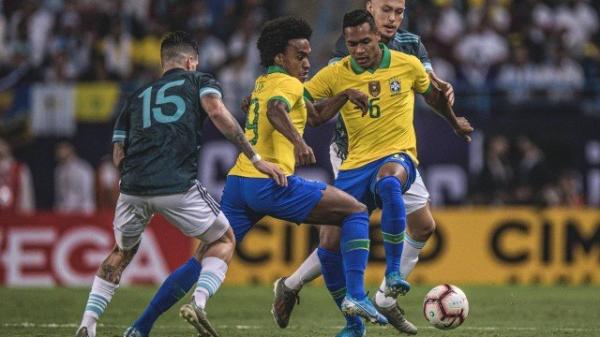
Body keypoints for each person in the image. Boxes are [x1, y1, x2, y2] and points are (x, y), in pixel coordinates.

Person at [123, 17, 388, 337]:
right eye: (299, 56)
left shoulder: (265, 81)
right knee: (355, 212)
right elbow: (277, 110)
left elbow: (316, 115)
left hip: (239, 184)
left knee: (203, 258)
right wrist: (299, 141)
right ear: (280, 57)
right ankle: (357, 298)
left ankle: (140, 326)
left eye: (308, 55)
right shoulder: (286, 85)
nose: (307, 63)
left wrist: (344, 93)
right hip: (271, 182)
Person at [275, 10, 473, 337]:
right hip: (350, 155)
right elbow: (305, 102)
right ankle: (312, 296)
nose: (359, 49)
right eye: (386, 10)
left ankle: (389, 285)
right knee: (330, 242)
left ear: (380, 36)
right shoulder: (339, 63)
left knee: (405, 201)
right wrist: (272, 102)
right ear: (371, 9)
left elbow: (431, 89)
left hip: (396, 153)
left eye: (399, 10)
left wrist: (454, 121)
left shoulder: (409, 51)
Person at [75, 31, 285, 337]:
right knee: (224, 239)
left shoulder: (136, 96)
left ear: (164, 62)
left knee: (121, 252)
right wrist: (254, 157)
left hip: (132, 187)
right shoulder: (199, 80)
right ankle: (199, 303)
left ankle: (87, 324)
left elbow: (118, 154)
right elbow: (216, 111)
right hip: (175, 184)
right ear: (190, 61)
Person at [54, 141, 96, 214]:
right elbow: (60, 194)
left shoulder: (83, 168)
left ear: (69, 150)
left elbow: (87, 192)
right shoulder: (59, 171)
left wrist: (83, 210)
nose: (59, 152)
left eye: (62, 149)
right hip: (66, 211)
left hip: (83, 211)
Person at [0, 137, 35, 214]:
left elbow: (26, 194)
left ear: (8, 147)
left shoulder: (20, 168)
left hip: (15, 215)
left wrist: (26, 214)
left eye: (2, 144)